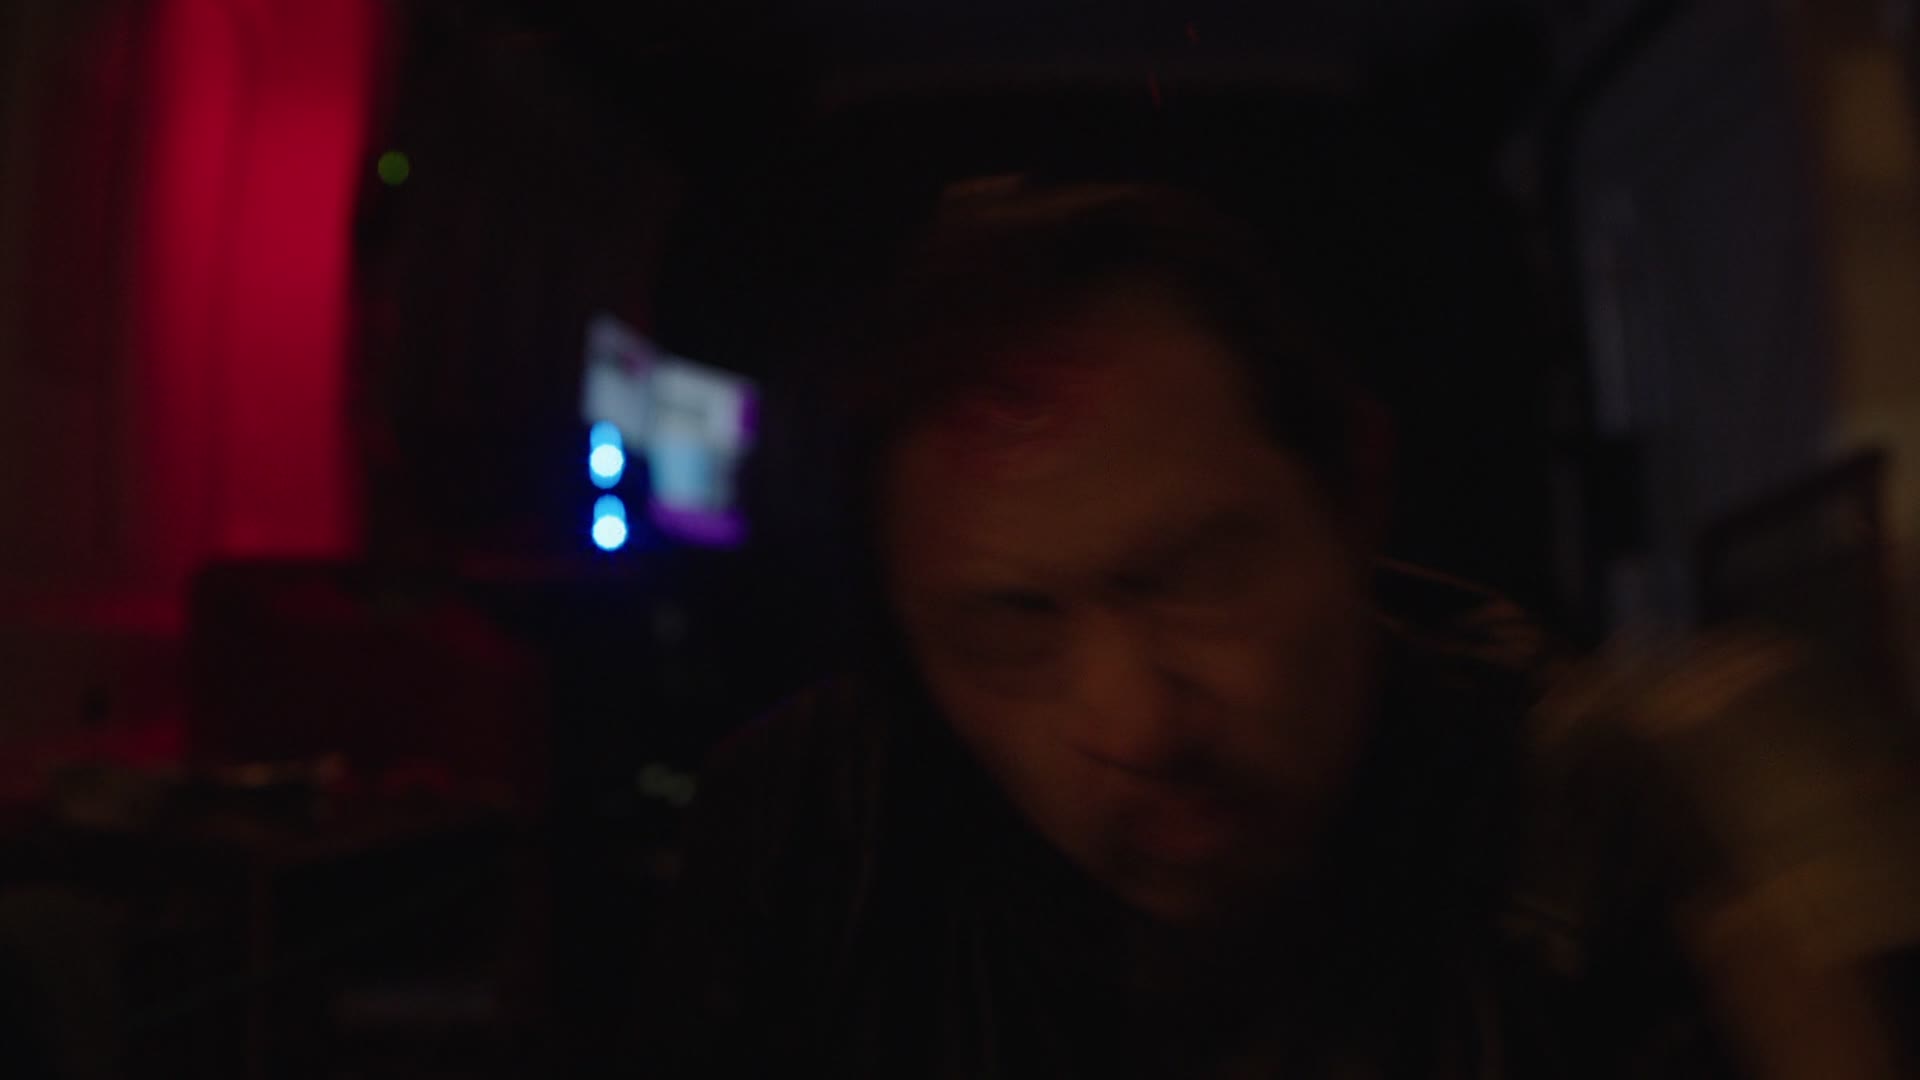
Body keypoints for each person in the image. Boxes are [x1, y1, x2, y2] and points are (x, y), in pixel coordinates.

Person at [634, 183, 1919, 1077]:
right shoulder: (813, 841)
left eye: (1196, 573)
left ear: (1355, 494)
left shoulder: (1592, 838)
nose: (1136, 721)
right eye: (1012, 628)